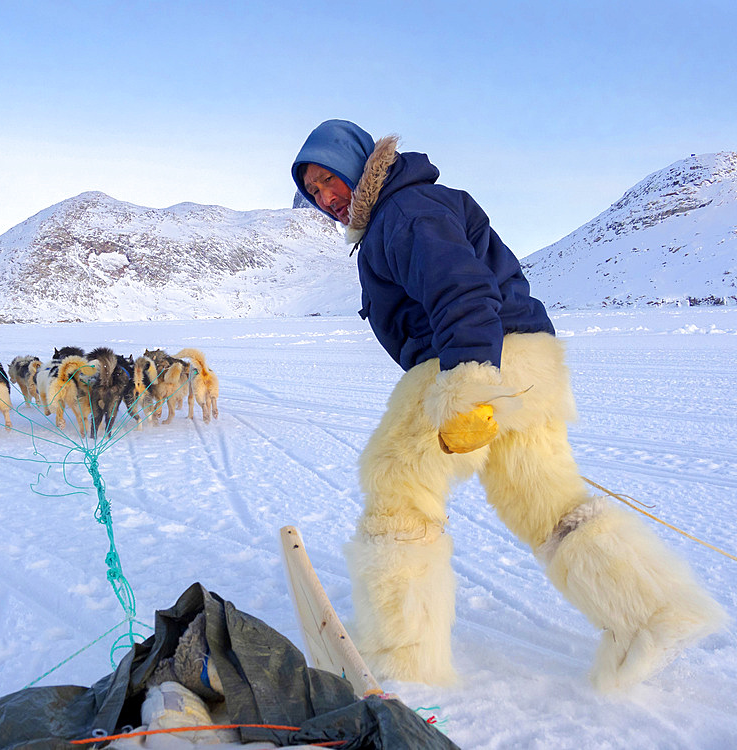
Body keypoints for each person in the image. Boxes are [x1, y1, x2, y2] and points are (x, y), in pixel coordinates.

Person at [291, 119, 726, 691]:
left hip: (471, 357)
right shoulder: (402, 210)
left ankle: (399, 655)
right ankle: (650, 613)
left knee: (396, 488)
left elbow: (460, 288)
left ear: (356, 163)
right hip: (525, 358)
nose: (326, 198)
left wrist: (468, 383)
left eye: (329, 180)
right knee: (546, 502)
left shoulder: (404, 211)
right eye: (314, 192)